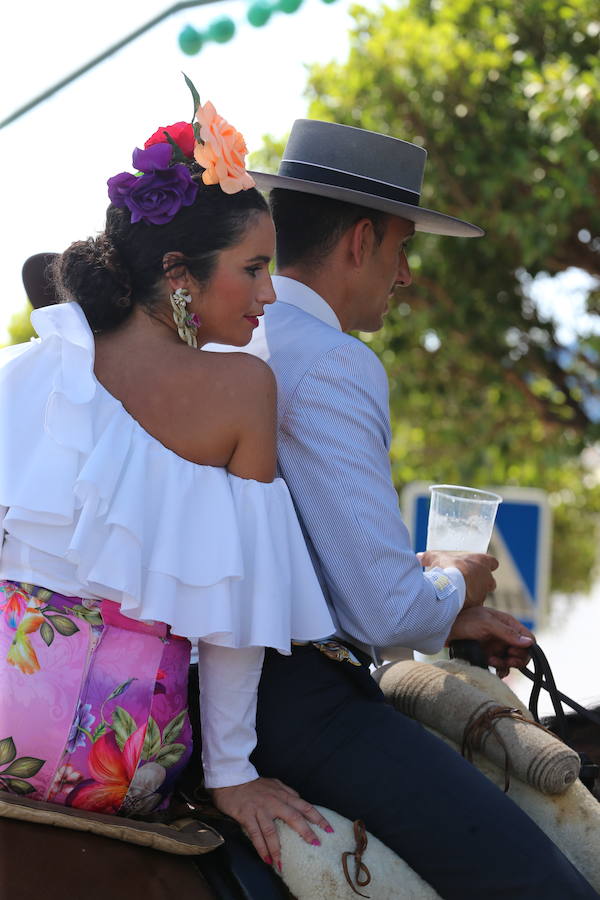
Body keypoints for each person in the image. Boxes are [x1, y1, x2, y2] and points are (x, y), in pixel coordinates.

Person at [230, 119, 597, 897]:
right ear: (361, 241)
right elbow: (385, 613)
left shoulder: (233, 338)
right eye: (403, 250)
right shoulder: (334, 362)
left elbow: (304, 555)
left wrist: (441, 609)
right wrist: (458, 581)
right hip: (301, 705)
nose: (404, 276)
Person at [0, 86, 337, 874]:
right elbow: (232, 612)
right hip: (120, 762)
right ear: (180, 274)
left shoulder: (27, 366)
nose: (267, 294)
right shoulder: (243, 392)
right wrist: (232, 774)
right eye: (254, 269)